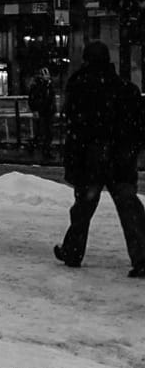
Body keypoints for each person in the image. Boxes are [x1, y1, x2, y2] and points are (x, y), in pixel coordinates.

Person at [53, 40, 145, 276]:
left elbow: (75, 130)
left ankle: (73, 251)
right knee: (129, 208)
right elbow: (136, 128)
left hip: (91, 157)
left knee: (83, 208)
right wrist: (129, 151)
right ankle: (142, 256)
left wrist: (73, 164)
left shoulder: (79, 87)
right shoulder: (125, 89)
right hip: (120, 159)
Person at [28, 66, 56, 164]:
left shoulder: (47, 85)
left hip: (47, 111)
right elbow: (33, 99)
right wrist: (35, 110)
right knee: (43, 132)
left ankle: (41, 149)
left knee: (46, 132)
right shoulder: (39, 86)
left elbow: (50, 98)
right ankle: (42, 149)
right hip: (43, 111)